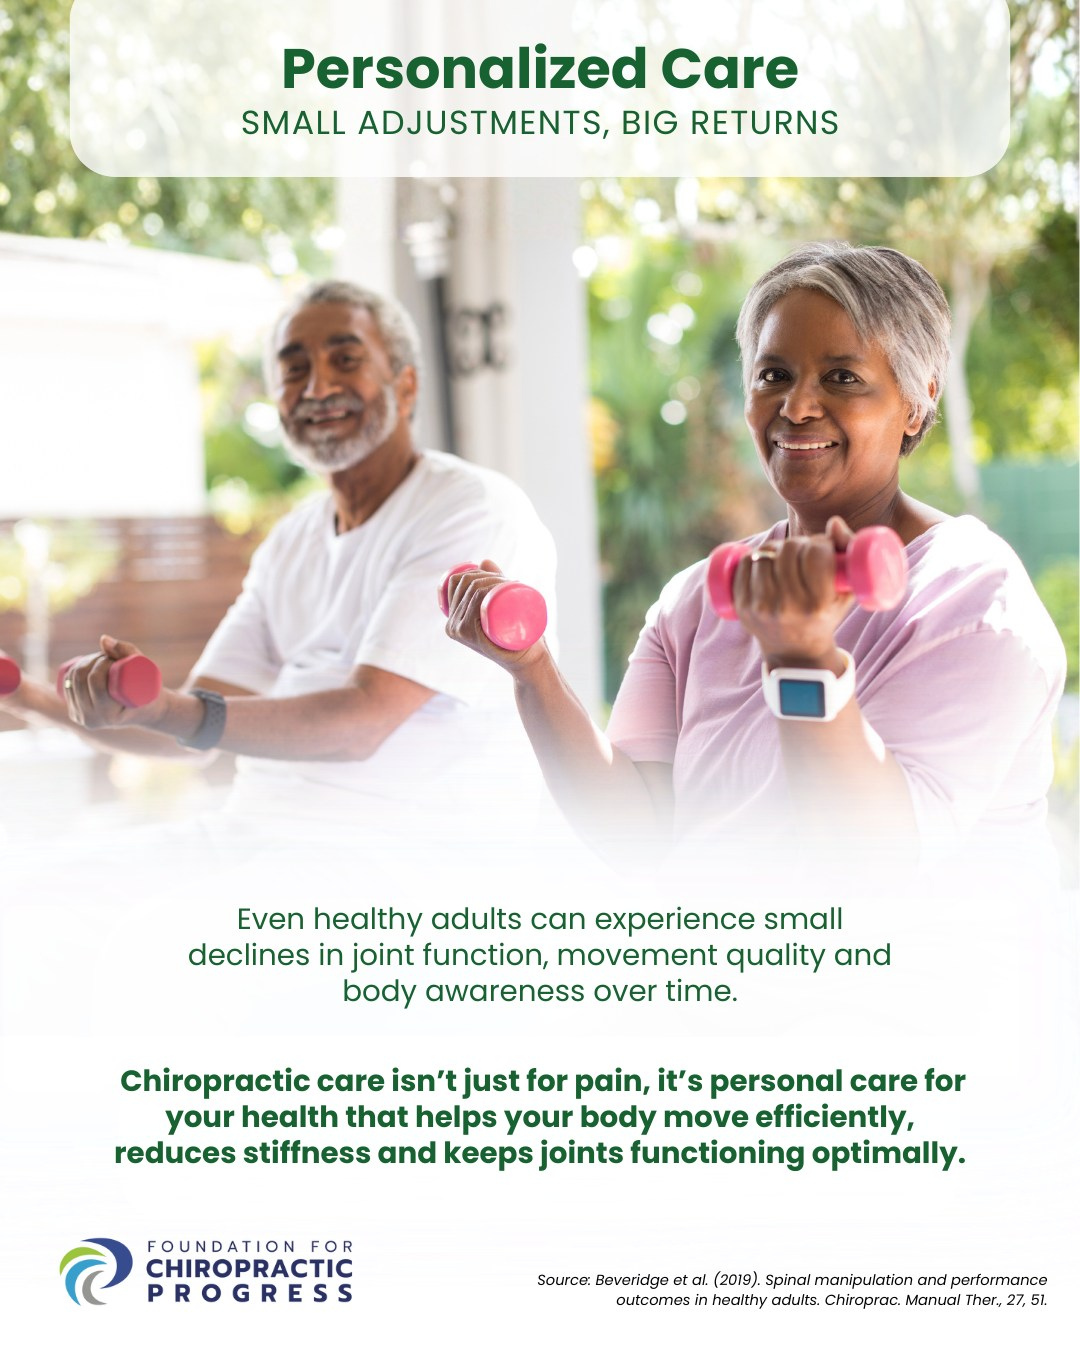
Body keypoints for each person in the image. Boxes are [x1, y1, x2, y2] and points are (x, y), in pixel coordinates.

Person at [444, 243, 1065, 875]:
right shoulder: (692, 602)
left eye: (842, 378)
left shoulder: (976, 603)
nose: (795, 408)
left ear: (915, 400)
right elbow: (636, 833)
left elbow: (874, 872)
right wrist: (534, 672)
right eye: (773, 375)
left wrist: (804, 659)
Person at [8, 280, 557, 837]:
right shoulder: (292, 539)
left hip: (399, 862)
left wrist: (169, 711)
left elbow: (359, 724)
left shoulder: (469, 509)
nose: (318, 387)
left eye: (346, 359)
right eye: (294, 370)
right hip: (256, 833)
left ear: (406, 385)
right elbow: (187, 729)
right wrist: (23, 695)